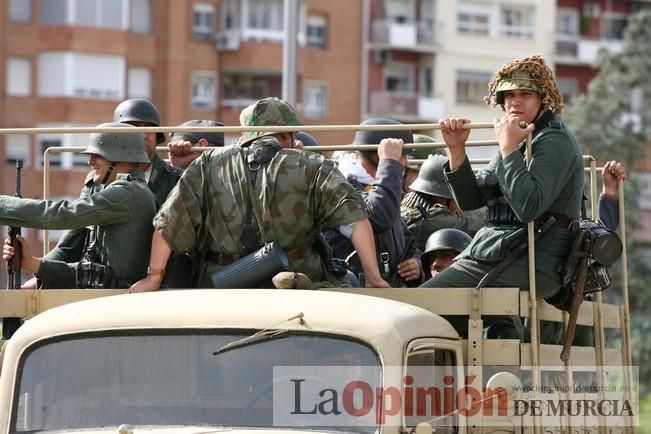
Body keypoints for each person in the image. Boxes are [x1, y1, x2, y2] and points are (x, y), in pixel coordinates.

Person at [129, 97, 389, 292]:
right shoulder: (312, 165)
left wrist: (154, 277)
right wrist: (374, 278)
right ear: (286, 134)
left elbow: (167, 224)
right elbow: (354, 219)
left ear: (248, 134)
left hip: (222, 287)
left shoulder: (207, 165)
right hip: (295, 286)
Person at [421, 53, 584, 340]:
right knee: (436, 324)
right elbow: (472, 201)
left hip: (535, 259)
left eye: (525, 94)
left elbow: (529, 207)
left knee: (420, 308)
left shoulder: (553, 140)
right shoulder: (518, 137)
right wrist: (457, 150)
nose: (515, 102)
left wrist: (508, 147)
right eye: (508, 95)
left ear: (543, 100)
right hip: (500, 252)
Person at [1, 124, 156, 289]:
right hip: (103, 293)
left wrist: (4, 205)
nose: (90, 161)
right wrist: (33, 265)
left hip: (112, 299)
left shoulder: (127, 193)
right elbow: (88, 265)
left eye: (98, 155)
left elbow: (64, 214)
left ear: (120, 155)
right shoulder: (129, 190)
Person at [326, 118, 422, 287]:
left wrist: (416, 263)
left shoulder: (382, 187)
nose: (406, 163)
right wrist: (390, 164)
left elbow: (406, 239)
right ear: (378, 156)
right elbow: (378, 217)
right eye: (402, 155)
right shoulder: (342, 186)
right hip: (356, 294)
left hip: (387, 292)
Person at [401, 155, 484, 252]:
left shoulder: (410, 205)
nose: (461, 203)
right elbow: (480, 227)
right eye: (458, 198)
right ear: (443, 196)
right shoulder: (432, 220)